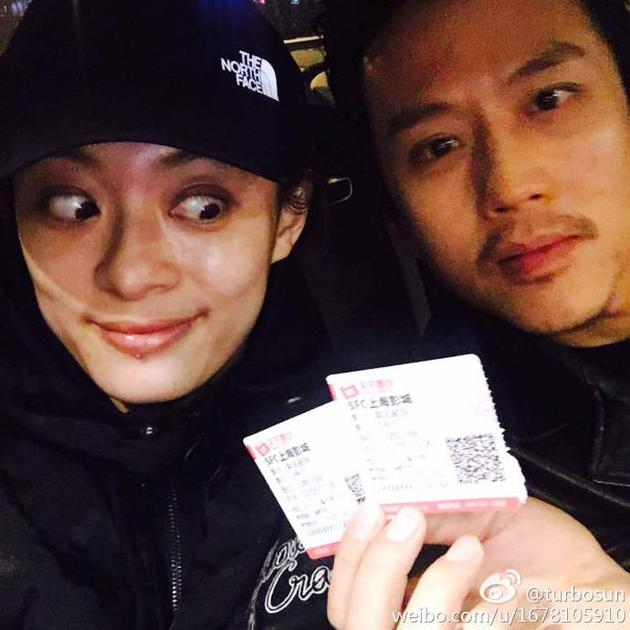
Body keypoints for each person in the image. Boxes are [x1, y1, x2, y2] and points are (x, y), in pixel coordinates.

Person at [0, 0, 333, 628]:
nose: (130, 274)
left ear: (288, 219)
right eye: (72, 205)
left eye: (204, 206)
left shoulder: (388, 449)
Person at [317, 0, 630, 626]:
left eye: (548, 100)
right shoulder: (446, 482)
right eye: (438, 147)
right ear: (396, 212)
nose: (508, 186)